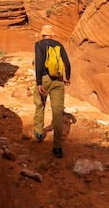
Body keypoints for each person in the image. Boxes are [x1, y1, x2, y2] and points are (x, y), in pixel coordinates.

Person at [33, 24, 71, 158]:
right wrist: (67, 78)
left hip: (44, 79)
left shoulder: (39, 44)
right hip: (58, 80)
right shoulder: (59, 45)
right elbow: (67, 63)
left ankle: (38, 132)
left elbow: (38, 63)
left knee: (40, 104)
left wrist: (39, 83)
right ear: (52, 34)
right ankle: (58, 147)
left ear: (42, 34)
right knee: (57, 113)